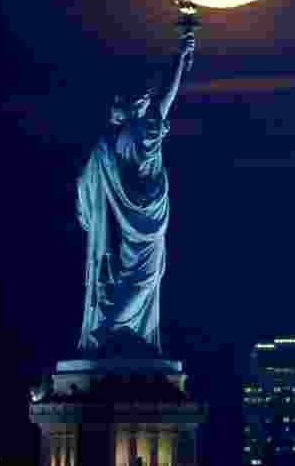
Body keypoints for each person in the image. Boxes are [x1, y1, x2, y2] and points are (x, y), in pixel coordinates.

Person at [76, 30, 196, 357]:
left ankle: (116, 337)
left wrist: (179, 61)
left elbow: (165, 100)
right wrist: (179, 61)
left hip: (146, 218)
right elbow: (165, 100)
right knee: (130, 280)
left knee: (143, 279)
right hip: (129, 219)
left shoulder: (141, 129)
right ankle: (111, 336)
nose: (115, 107)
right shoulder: (111, 142)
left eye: (120, 101)